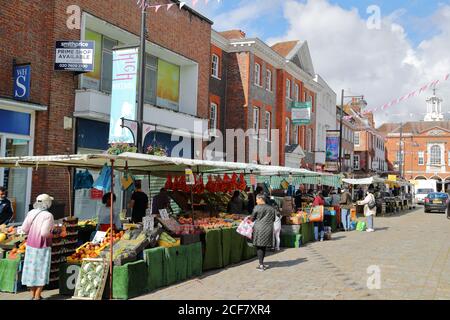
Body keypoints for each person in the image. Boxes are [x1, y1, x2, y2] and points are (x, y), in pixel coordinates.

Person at [21, 194, 55, 300]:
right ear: (47, 203)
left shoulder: (31, 212)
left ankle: (33, 295)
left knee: (31, 270)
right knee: (41, 270)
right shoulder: (48, 215)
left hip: (30, 245)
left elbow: (24, 229)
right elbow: (44, 233)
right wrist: (53, 234)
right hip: (42, 246)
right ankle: (37, 296)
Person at [250, 194, 277, 271]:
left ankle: (261, 265)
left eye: (257, 199)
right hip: (268, 228)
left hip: (259, 228)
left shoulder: (257, 207)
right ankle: (262, 263)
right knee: (263, 246)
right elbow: (274, 219)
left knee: (259, 246)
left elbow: (252, 218)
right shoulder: (271, 208)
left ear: (261, 199)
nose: (256, 201)